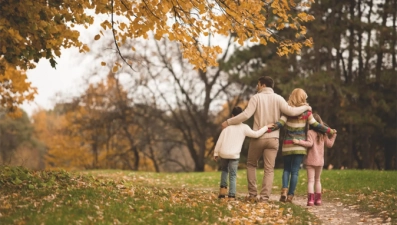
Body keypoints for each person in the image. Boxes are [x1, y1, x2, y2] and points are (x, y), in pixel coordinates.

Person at [221, 76, 311, 202]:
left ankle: (252, 195)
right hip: (273, 139)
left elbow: (246, 114)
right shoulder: (278, 98)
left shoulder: (256, 98)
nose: (257, 87)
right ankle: (264, 198)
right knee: (269, 169)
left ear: (263, 85)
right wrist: (306, 107)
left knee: (251, 165)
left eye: (258, 84)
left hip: (258, 137)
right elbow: (291, 111)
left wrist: (228, 122)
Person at [268, 88, 336, 203]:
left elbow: (280, 123)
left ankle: (284, 190)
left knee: (286, 170)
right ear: (302, 98)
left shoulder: (287, 111)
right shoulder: (307, 113)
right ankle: (290, 196)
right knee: (295, 171)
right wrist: (329, 131)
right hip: (300, 147)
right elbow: (317, 125)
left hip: (288, 145)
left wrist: (269, 128)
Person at [214, 106, 274, 200]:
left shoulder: (227, 127)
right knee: (233, 175)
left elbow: (219, 141)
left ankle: (222, 193)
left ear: (232, 116)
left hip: (224, 154)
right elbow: (256, 134)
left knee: (224, 171)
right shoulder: (244, 128)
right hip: (234, 155)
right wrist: (266, 127)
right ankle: (231, 196)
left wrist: (216, 153)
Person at [292, 113, 337, 206]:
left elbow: (309, 144)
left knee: (310, 181)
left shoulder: (309, 133)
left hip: (310, 161)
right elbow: (330, 144)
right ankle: (318, 200)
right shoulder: (323, 134)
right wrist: (333, 136)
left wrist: (298, 142)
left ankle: (311, 200)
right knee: (317, 180)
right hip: (320, 161)